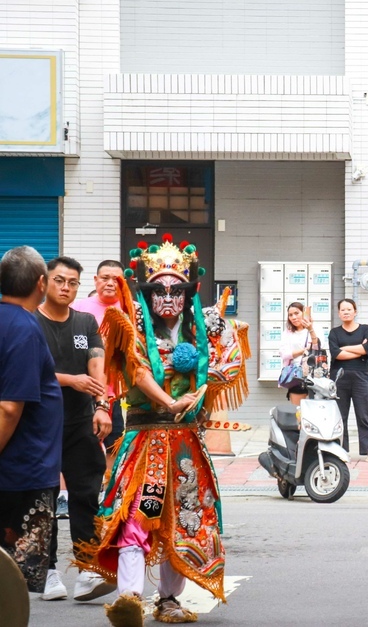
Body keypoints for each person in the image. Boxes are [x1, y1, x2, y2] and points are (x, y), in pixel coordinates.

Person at [75, 234, 251, 626]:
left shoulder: (202, 328)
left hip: (186, 448)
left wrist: (203, 389)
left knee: (184, 520)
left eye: (177, 291)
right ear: (147, 292)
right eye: (159, 290)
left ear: (189, 294)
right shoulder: (133, 324)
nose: (168, 298)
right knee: (141, 515)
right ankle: (130, 598)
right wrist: (171, 403)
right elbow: (137, 370)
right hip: (147, 447)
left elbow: (229, 362)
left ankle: (168, 599)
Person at [34, 256, 115, 602]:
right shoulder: (30, 322)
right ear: (44, 282)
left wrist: (102, 405)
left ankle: (87, 569)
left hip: (81, 420)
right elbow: (27, 371)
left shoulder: (85, 322)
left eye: (72, 282)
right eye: (59, 280)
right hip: (39, 423)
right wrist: (71, 380)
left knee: (85, 493)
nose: (65, 287)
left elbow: (97, 365)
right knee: (44, 496)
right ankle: (48, 572)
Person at [0, 246, 62, 595]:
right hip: (20, 473)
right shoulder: (24, 327)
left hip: (18, 469)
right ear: (41, 283)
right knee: (12, 583)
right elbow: (10, 407)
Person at [72, 260, 127, 462]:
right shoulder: (77, 307)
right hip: (81, 390)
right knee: (80, 447)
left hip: (117, 393)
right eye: (105, 278)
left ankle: (109, 481)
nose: (110, 283)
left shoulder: (132, 310)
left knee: (114, 444)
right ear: (96, 280)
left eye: (116, 279)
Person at [328, 299, 368, 459]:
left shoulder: (365, 329)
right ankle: (340, 450)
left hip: (361, 376)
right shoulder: (334, 332)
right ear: (339, 313)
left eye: (349, 309)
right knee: (340, 415)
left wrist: (345, 348)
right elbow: (336, 354)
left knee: (363, 414)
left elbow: (367, 349)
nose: (346, 312)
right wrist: (358, 350)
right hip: (339, 376)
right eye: (343, 310)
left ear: (355, 312)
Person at [278, 302, 320, 406]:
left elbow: (317, 348)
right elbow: (284, 354)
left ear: (304, 313)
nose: (294, 317)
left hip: (315, 374)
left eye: (297, 313)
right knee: (297, 410)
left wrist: (311, 329)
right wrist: (302, 351)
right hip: (296, 375)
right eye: (290, 315)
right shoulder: (288, 333)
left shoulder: (315, 329)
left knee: (315, 410)